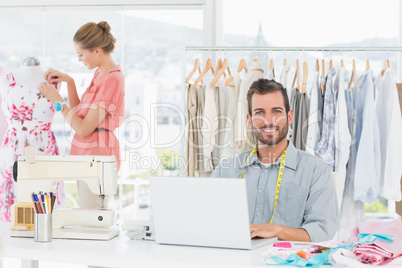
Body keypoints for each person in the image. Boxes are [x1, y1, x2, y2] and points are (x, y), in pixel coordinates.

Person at [210, 79, 339, 242]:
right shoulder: (225, 171)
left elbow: (322, 232)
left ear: (289, 117)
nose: (268, 120)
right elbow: (208, 219)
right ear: (249, 121)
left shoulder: (316, 172)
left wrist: (278, 230)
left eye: (276, 111)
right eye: (259, 112)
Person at [39, 21, 125, 209]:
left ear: (97, 50)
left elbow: (83, 128)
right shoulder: (99, 74)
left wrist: (57, 101)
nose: (79, 59)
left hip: (98, 155)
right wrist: (70, 82)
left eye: (81, 54)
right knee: (88, 213)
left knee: (92, 216)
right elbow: (79, 114)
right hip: (87, 153)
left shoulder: (112, 80)